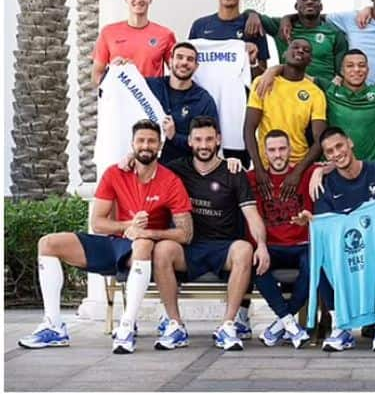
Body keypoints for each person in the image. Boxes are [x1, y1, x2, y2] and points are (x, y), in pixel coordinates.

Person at [18, 120, 193, 354]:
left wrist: (145, 232)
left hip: (143, 249)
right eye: (140, 140)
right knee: (48, 243)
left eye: (151, 141)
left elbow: (185, 233)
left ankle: (127, 327)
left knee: (142, 244)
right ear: (132, 144)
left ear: (159, 145)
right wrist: (127, 225)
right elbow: (97, 223)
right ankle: (54, 326)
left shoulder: (170, 180)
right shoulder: (115, 173)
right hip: (114, 242)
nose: (146, 145)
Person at [151, 116, 269, 352]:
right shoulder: (176, 169)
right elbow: (145, 166)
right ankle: (175, 324)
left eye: (209, 139)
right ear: (190, 142)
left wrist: (262, 245)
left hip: (223, 248)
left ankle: (227, 325)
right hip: (188, 247)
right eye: (198, 140)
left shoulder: (233, 171)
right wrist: (127, 159)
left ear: (218, 140)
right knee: (163, 249)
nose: (204, 145)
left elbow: (252, 215)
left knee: (244, 249)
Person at [296, 127, 375, 352]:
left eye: (339, 146)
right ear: (325, 156)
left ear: (350, 143)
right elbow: (325, 227)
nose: (337, 154)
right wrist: (311, 221)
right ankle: (340, 324)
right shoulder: (324, 185)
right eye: (329, 151)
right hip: (346, 251)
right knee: (315, 254)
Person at [249, 129, 318, 349]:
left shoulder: (306, 173)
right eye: (272, 150)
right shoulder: (253, 179)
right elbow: (224, 171)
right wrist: (231, 160)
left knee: (314, 262)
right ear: (264, 153)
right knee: (253, 262)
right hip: (270, 247)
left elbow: (336, 163)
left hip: (301, 245)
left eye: (282, 149)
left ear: (290, 150)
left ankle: (281, 323)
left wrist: (322, 170)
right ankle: (289, 322)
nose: (277, 155)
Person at [244, 38, 327, 203]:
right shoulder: (263, 83)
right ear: (285, 53)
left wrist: (298, 172)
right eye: (295, 47)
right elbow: (249, 129)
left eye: (306, 50)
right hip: (267, 165)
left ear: (310, 60)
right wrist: (259, 169)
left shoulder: (316, 93)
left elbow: (320, 140)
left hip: (299, 165)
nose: (300, 51)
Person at [245, 0, 348, 82]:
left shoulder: (334, 34)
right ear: (296, 6)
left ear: (321, 6)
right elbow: (246, 13)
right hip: (290, 91)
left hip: (321, 92)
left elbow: (341, 72)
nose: (309, 2)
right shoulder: (281, 27)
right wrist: (252, 14)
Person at [92, 0, 176, 86]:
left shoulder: (165, 34)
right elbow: (96, 76)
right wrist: (111, 72)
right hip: (119, 100)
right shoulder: (108, 32)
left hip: (151, 101)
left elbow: (177, 73)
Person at [148, 42, 219, 164]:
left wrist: (175, 137)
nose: (184, 62)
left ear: (196, 66)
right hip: (147, 166)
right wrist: (118, 68)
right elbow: (119, 91)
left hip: (183, 172)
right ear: (170, 61)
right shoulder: (150, 86)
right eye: (179, 57)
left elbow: (211, 144)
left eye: (190, 59)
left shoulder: (203, 100)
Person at [189, 0, 269, 75]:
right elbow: (188, 62)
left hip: (240, 90)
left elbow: (263, 74)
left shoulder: (253, 26)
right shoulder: (199, 25)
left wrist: (252, 63)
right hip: (206, 91)